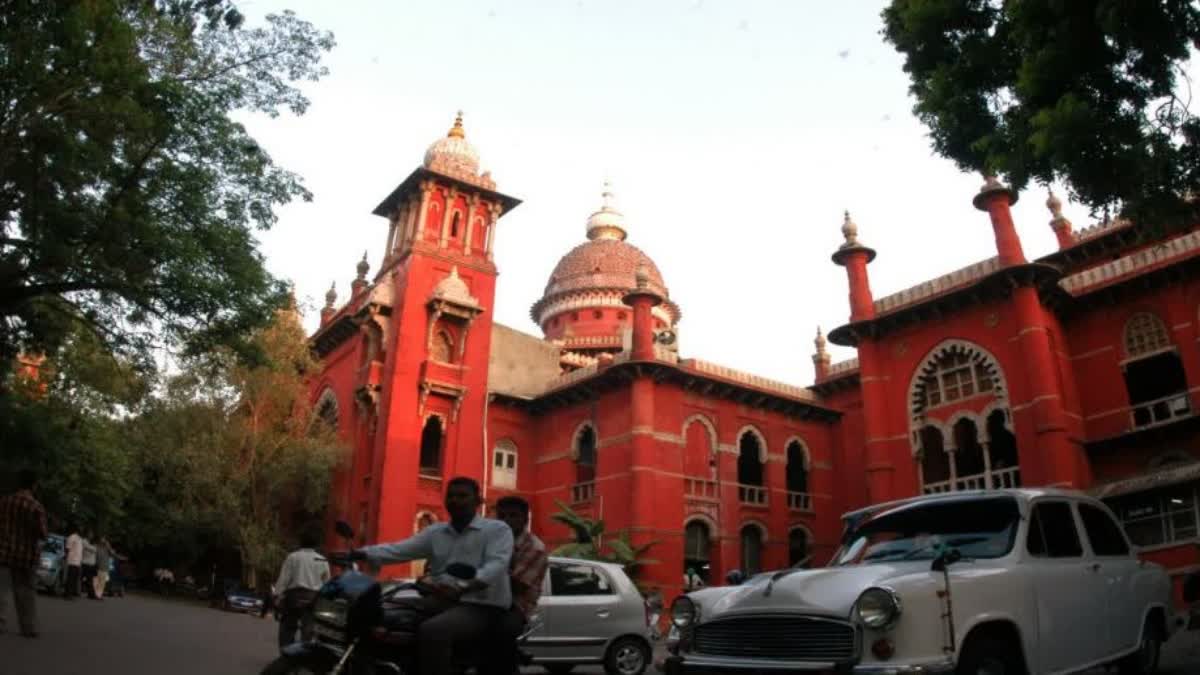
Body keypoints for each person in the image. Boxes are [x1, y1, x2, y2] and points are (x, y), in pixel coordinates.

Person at [353, 477, 513, 675]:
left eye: (462, 496)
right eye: (451, 496)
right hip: (441, 600)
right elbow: (400, 550)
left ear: (478, 501)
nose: (455, 500)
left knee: (434, 631)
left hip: (480, 605)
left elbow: (495, 566)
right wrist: (361, 553)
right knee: (381, 613)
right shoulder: (435, 532)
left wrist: (462, 585)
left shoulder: (497, 530)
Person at [485, 496, 548, 675]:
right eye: (502, 516)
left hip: (516, 606)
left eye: (513, 516)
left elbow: (517, 587)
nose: (506, 521)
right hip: (488, 600)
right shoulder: (491, 541)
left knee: (500, 633)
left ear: (525, 520)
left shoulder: (535, 548)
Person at [0, 470, 48, 637]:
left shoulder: (4, 501)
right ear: (34, 485)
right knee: (25, 593)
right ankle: (28, 627)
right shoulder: (35, 507)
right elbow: (42, 533)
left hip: (3, 552)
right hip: (25, 556)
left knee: (1, 589)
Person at [274, 525, 331, 651]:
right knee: (308, 631)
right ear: (316, 543)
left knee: (287, 629)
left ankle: (286, 654)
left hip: (293, 598)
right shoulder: (322, 560)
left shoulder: (293, 557)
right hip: (313, 600)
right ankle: (303, 657)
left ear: (301, 541)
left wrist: (277, 596)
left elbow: (284, 579)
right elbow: (326, 583)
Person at [64, 526, 83, 600]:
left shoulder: (80, 539)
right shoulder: (72, 537)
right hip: (72, 561)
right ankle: (67, 594)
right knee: (70, 579)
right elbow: (67, 548)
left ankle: (71, 593)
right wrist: (67, 558)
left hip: (77, 562)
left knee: (74, 579)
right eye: (80, 529)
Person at [80, 532, 97, 599]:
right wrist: (94, 547)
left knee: (89, 580)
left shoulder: (90, 542)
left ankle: (91, 594)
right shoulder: (84, 541)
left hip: (90, 564)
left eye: (92, 534)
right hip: (85, 563)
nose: (91, 535)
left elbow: (94, 549)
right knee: (81, 579)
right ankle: (91, 594)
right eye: (90, 534)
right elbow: (93, 549)